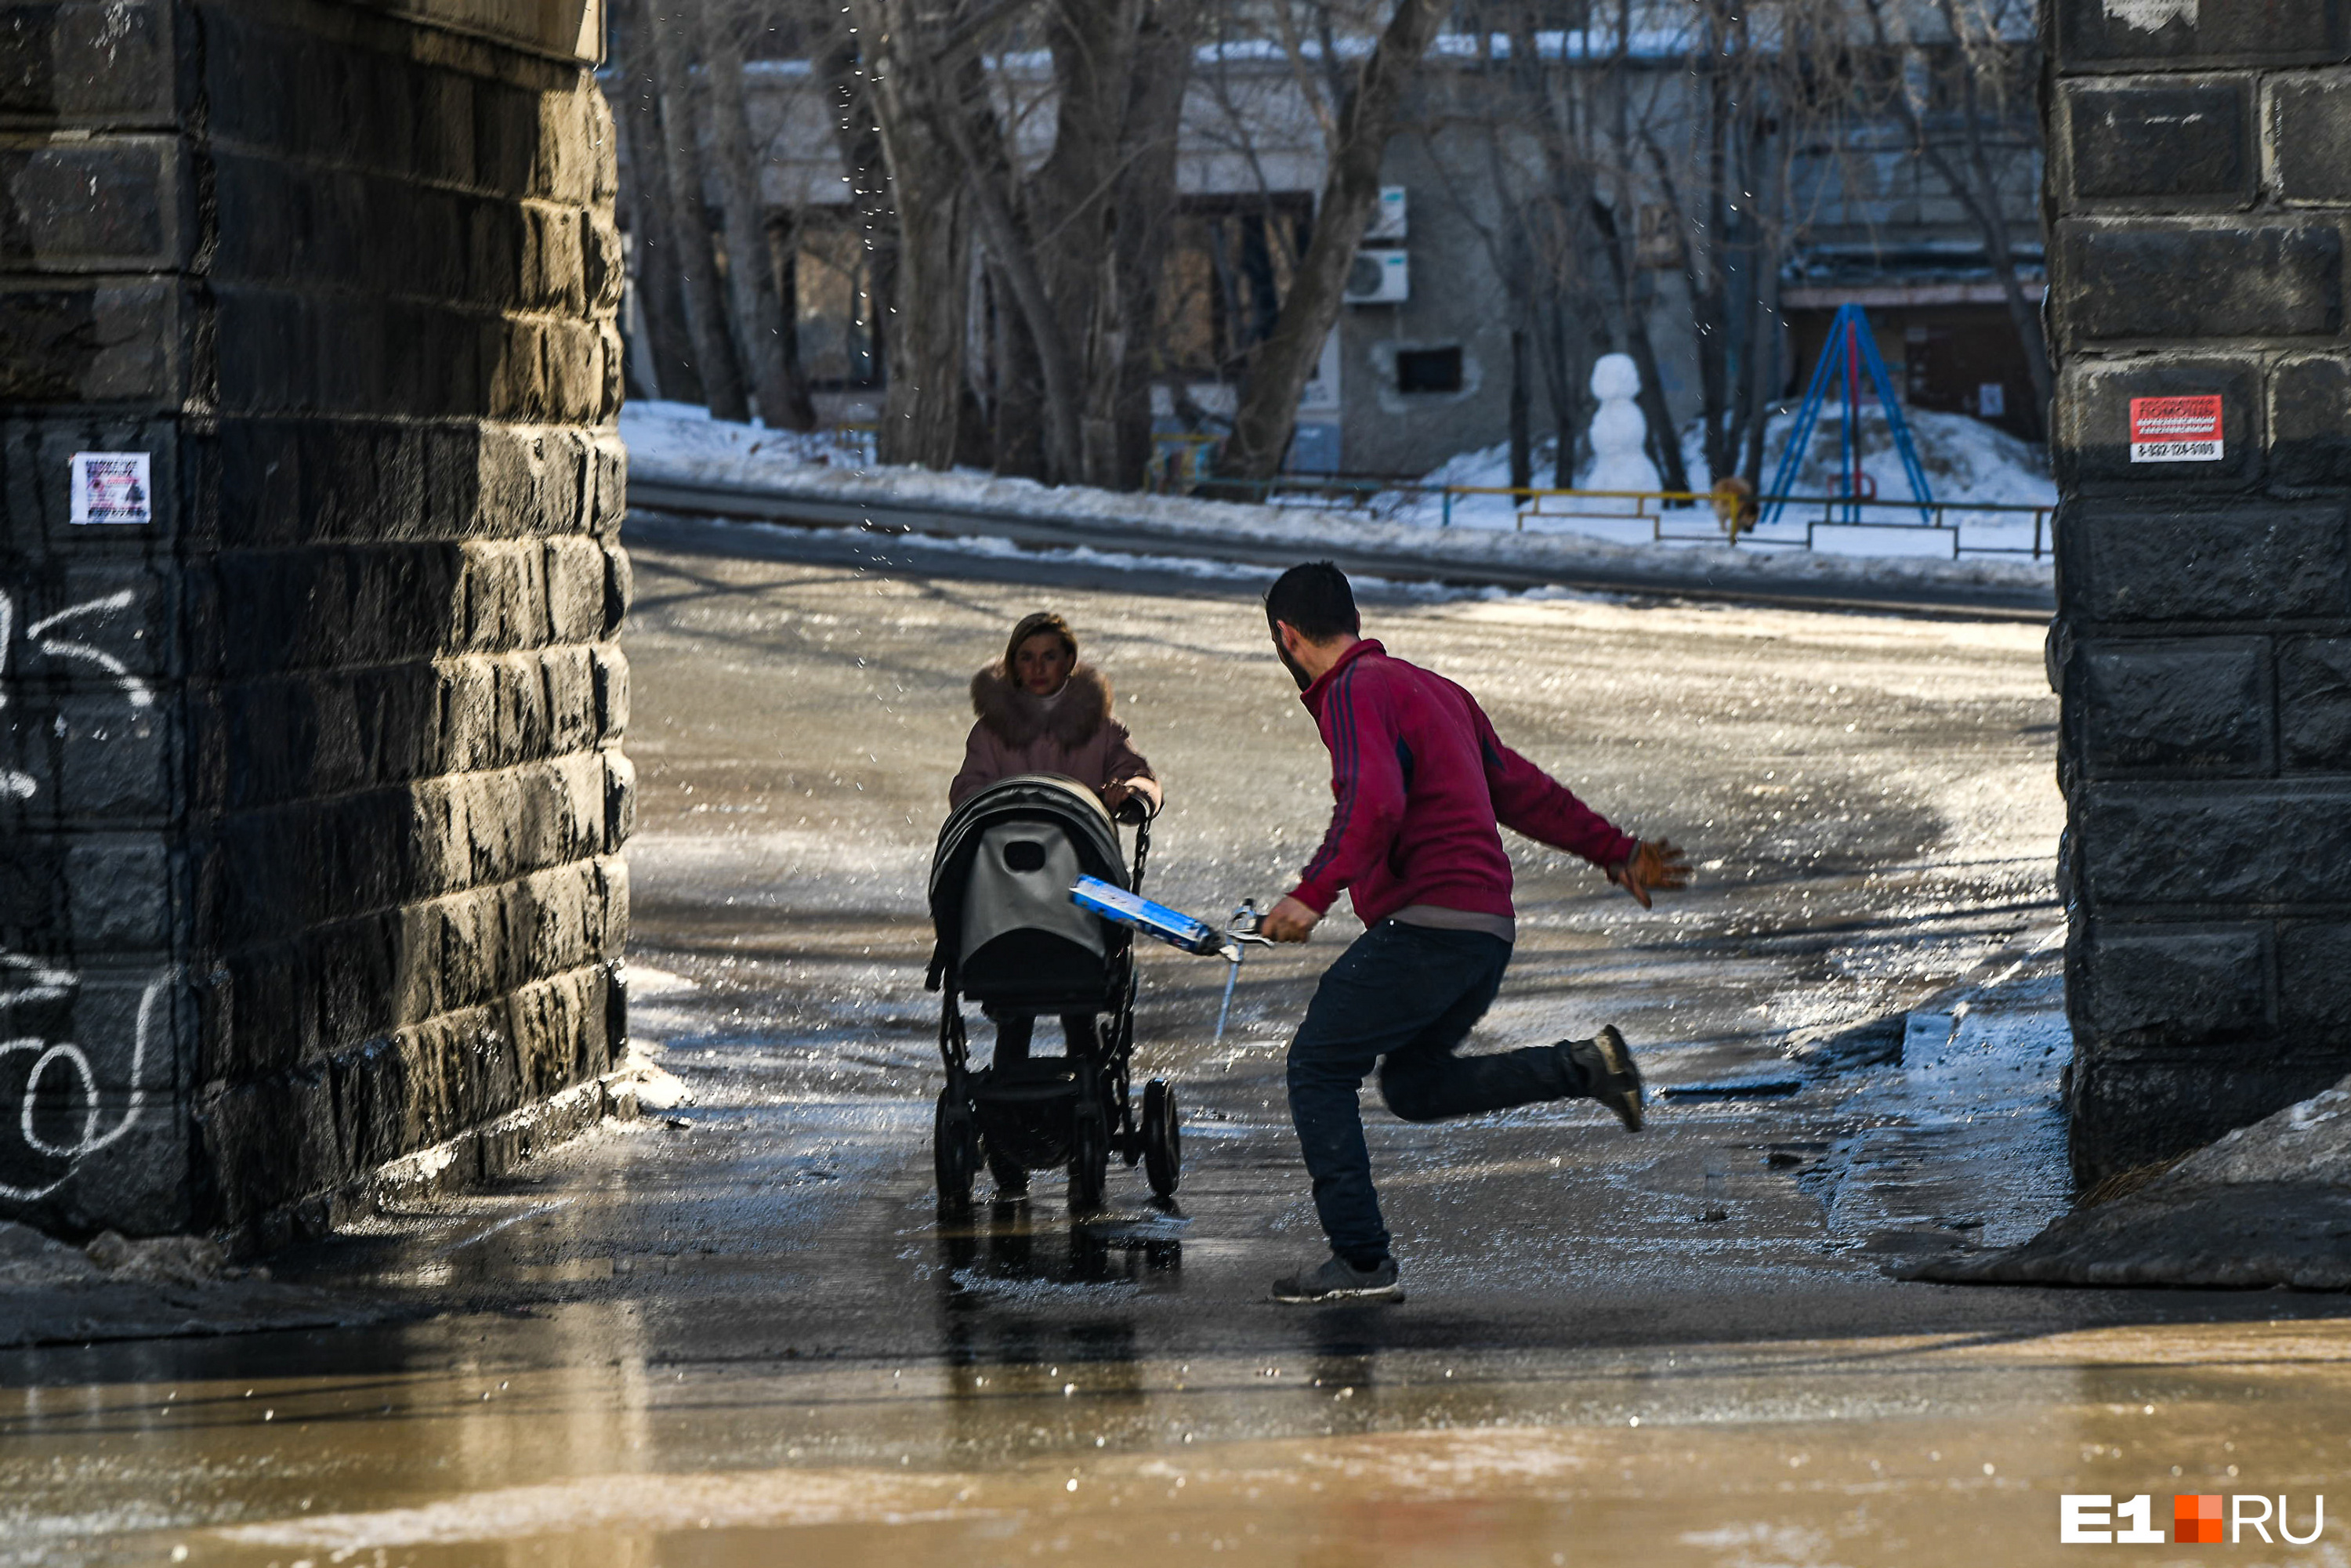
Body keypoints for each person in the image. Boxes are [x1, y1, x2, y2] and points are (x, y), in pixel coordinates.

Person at [1256, 563, 1690, 1304]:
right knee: (1414, 1085)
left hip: (1429, 924)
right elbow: (1519, 787)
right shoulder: (1434, 689)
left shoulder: (1357, 691)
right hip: (1484, 930)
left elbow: (1376, 804)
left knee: (1317, 1067)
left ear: (1286, 636)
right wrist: (1613, 850)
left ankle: (1361, 1261)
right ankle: (1587, 1065)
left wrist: (1311, 893)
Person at [950, 612, 1162, 1193]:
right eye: (1027, 657)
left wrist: (1131, 792)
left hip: (1081, 903)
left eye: (1050, 657)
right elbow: (966, 787)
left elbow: (1138, 773)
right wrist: (987, 799)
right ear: (1012, 664)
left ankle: (1087, 1094)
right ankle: (1007, 1130)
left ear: (1069, 663)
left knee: (1079, 1010)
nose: (1038, 668)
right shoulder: (993, 731)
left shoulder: (1098, 726)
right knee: (1013, 1017)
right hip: (1009, 902)